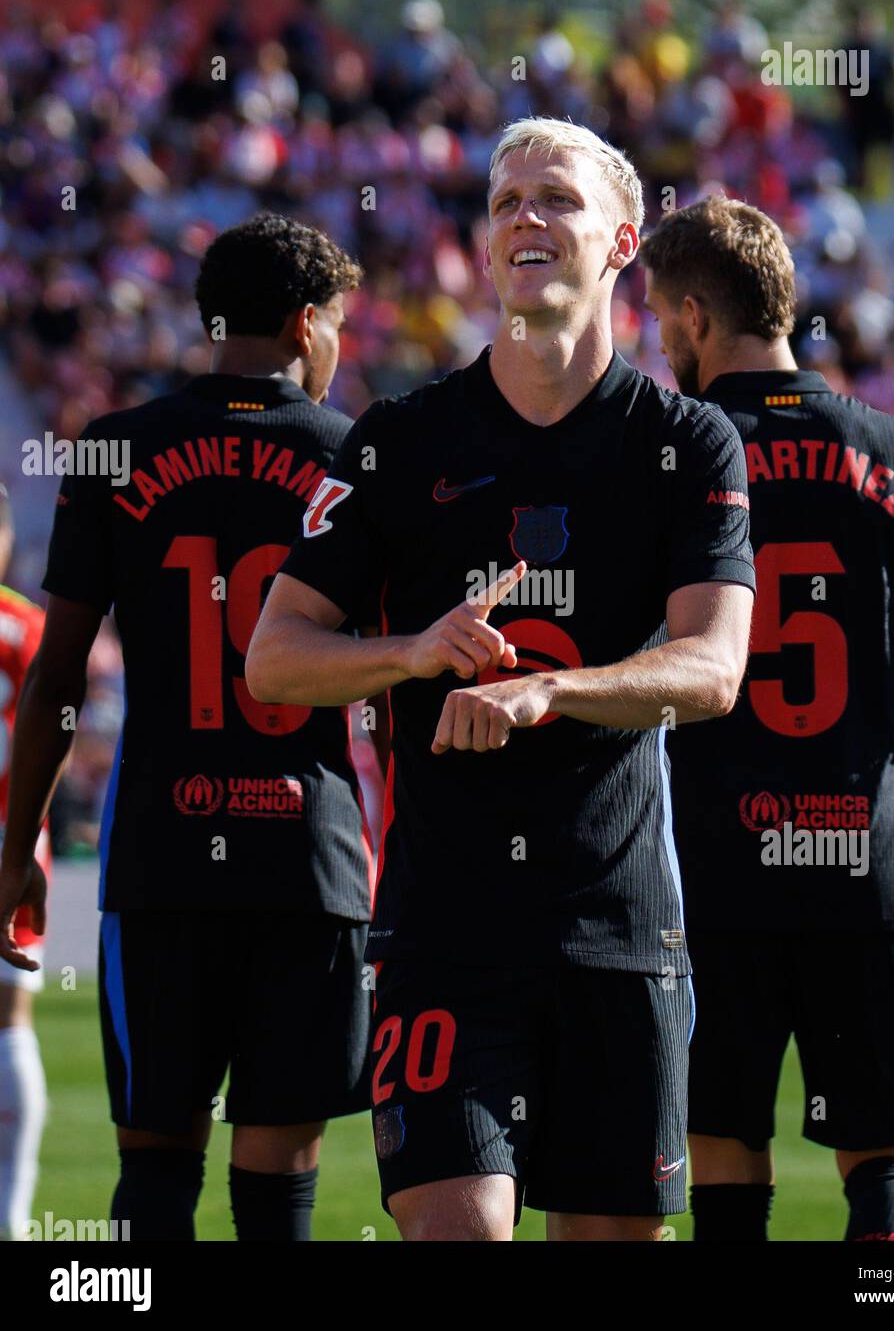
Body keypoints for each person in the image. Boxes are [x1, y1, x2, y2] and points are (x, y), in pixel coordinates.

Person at [247, 117, 757, 1242]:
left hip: (619, 928)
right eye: (504, 201)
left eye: (556, 199)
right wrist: (416, 652)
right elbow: (274, 655)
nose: (525, 216)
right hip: (442, 931)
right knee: (458, 1228)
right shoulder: (396, 439)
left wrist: (550, 691)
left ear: (622, 240)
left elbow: (714, 669)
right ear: (484, 250)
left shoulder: (688, 442)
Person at [642, 194, 894, 1241]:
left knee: (720, 1140)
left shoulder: (671, 454)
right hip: (870, 858)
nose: (659, 339)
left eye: (663, 317)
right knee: (892, 1148)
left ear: (694, 316)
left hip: (709, 863)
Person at [0, 212, 373, 1241]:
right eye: (339, 323)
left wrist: (19, 839)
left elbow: (56, 671)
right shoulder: (356, 458)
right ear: (305, 324)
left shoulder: (117, 447)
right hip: (309, 858)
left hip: (162, 857)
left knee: (156, 1169)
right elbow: (391, 689)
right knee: (277, 1185)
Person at [0, 485, 48, 1241]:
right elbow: (51, 733)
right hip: (13, 835)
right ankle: (9, 1216)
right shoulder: (25, 624)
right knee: (10, 1019)